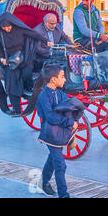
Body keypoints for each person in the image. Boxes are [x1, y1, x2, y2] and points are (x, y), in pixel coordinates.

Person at [0, 13, 52, 116]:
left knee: (27, 72)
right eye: (4, 28)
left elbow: (34, 34)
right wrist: (2, 58)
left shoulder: (19, 30)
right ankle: (16, 109)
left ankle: (29, 91)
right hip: (10, 61)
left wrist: (46, 41)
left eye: (8, 27)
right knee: (12, 84)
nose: (7, 29)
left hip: (23, 59)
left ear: (12, 24)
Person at [37, 65, 77, 198]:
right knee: (60, 165)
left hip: (60, 133)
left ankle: (44, 182)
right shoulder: (43, 97)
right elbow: (50, 117)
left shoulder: (61, 94)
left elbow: (70, 108)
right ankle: (63, 194)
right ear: (53, 79)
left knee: (52, 159)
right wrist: (70, 122)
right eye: (62, 76)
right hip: (50, 135)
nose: (65, 79)